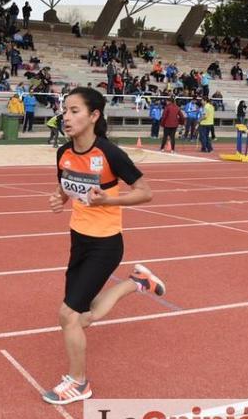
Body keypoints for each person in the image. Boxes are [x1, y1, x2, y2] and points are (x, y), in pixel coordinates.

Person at [43, 87, 165, 406]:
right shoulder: (63, 153)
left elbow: (145, 191)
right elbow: (66, 186)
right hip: (78, 239)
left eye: (74, 111)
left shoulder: (110, 154)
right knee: (81, 318)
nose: (65, 117)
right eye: (64, 111)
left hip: (106, 243)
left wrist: (110, 199)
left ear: (94, 116)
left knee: (68, 315)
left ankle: (79, 383)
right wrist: (60, 199)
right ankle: (137, 282)